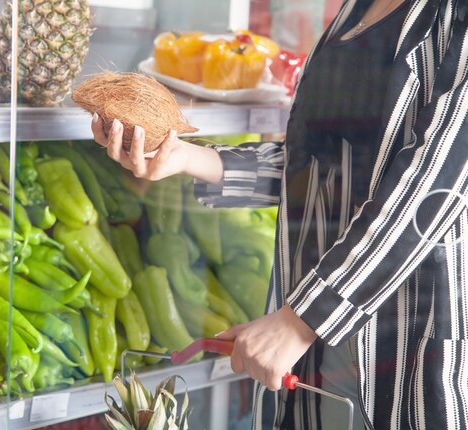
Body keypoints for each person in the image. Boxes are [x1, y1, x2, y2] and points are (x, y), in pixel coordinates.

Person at [91, 0, 468, 428]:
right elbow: (318, 166)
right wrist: (187, 159)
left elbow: (434, 188)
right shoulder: (353, 13)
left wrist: (302, 318)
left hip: (404, 343)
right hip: (319, 343)